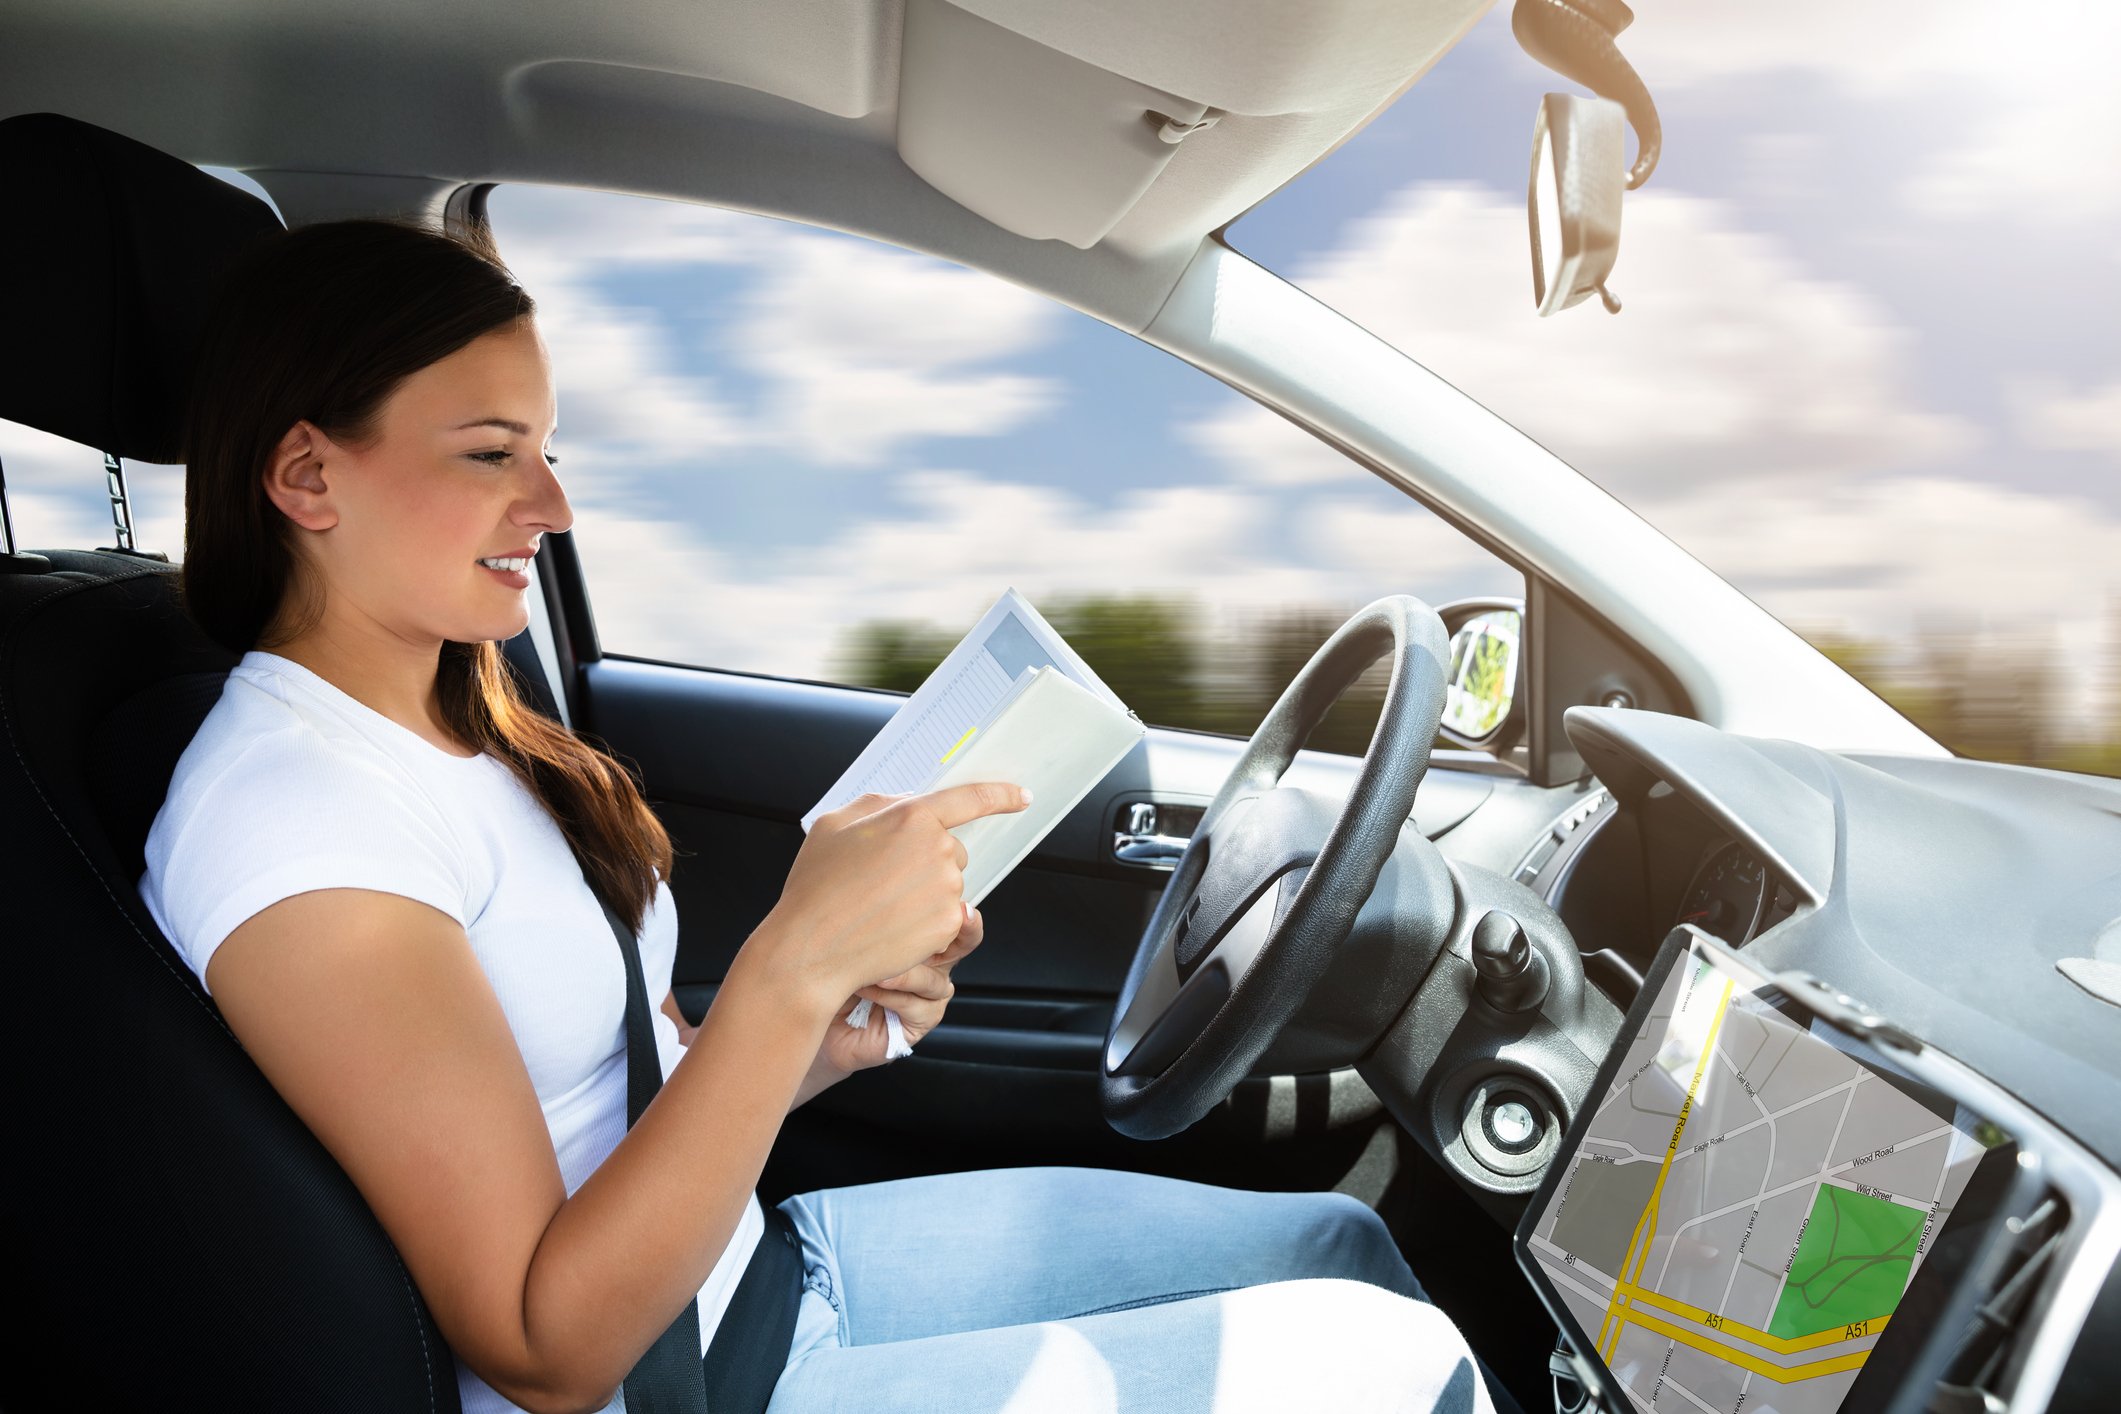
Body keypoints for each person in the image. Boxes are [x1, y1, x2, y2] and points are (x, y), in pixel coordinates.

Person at [139, 217, 1498, 1414]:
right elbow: (546, 1352)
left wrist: (816, 1041)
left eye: (548, 451)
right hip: (684, 1382)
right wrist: (786, 974)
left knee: (1339, 1244)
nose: (552, 504)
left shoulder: (461, 723)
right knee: (1395, 1369)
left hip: (753, 1278)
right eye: (492, 453)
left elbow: (609, 1087)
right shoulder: (297, 821)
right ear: (307, 478)